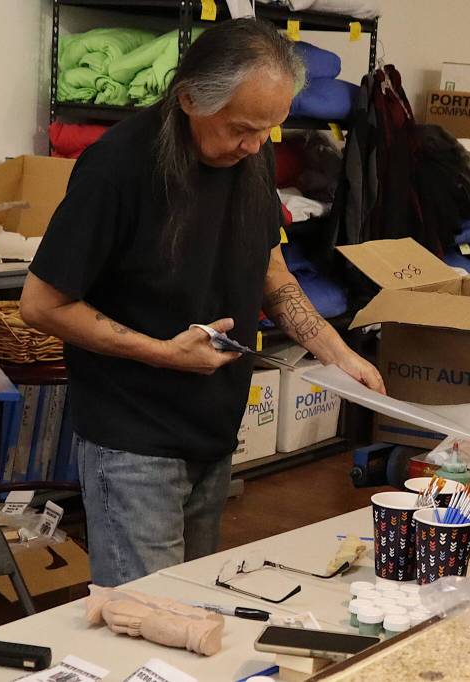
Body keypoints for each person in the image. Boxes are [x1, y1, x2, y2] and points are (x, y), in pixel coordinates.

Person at [20, 19, 384, 587]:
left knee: (191, 603)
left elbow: (271, 271)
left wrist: (337, 354)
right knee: (146, 616)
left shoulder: (250, 152)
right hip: (132, 437)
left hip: (213, 428)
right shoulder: (118, 167)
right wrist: (163, 353)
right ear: (190, 97)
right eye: (242, 128)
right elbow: (40, 305)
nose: (254, 145)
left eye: (268, 130)